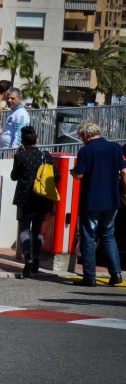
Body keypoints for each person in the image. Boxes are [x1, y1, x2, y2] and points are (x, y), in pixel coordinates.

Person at [70, 121, 126, 286]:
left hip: (92, 201)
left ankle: (90, 277)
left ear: (86, 134)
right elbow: (123, 172)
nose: (81, 140)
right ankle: (116, 274)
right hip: (112, 200)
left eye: (81, 137)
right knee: (109, 236)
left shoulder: (86, 151)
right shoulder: (116, 148)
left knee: (88, 237)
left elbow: (79, 175)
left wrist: (73, 172)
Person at [9, 125, 53, 278]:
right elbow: (57, 177)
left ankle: (27, 257)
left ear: (23, 141)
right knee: (37, 230)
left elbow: (14, 176)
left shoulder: (20, 156)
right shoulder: (46, 156)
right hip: (42, 197)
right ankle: (36, 259)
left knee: (24, 229)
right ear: (37, 139)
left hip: (24, 198)